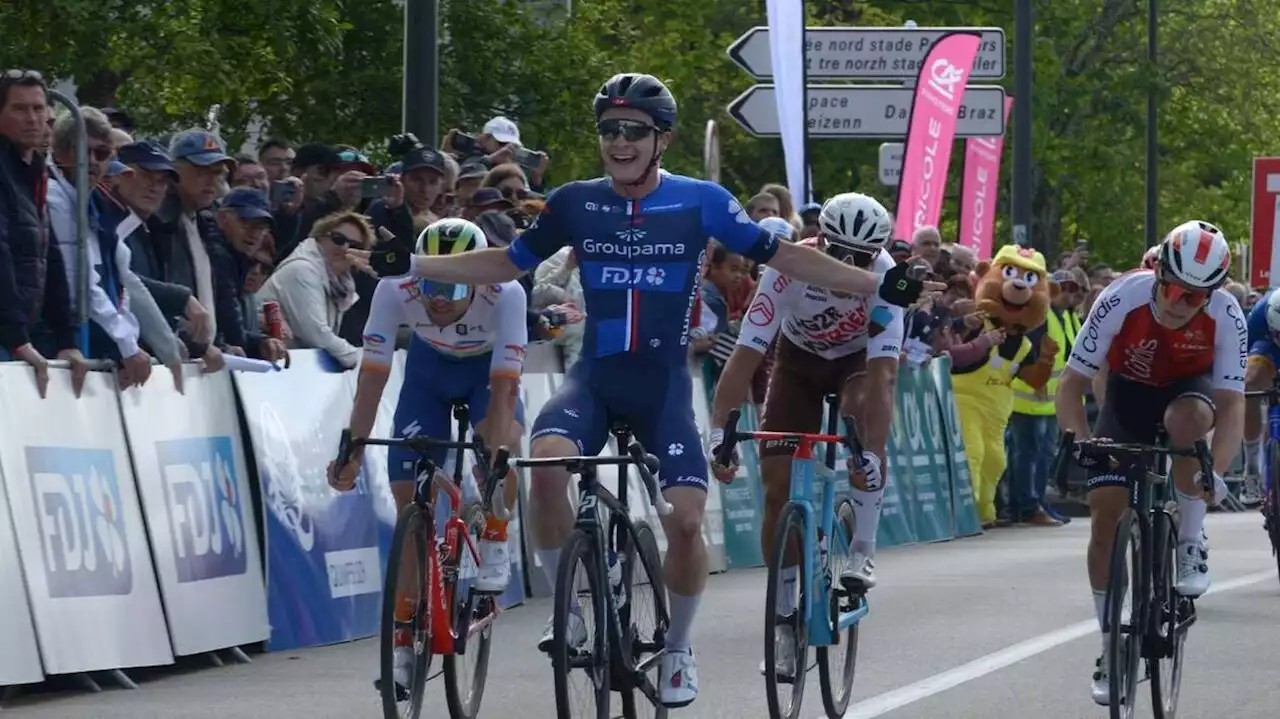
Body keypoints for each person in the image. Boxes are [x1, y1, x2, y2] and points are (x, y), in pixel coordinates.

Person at [351, 72, 936, 709]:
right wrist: (414, 263)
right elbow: (502, 264)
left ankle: (679, 647)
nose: (619, 141)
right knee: (544, 468)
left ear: (663, 139)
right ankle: (569, 611)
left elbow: (789, 258)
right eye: (609, 129)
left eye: (634, 130)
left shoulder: (702, 201)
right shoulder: (575, 201)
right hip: (592, 383)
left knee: (684, 525)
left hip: (661, 393)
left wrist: (877, 286)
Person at [707, 192, 904, 681]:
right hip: (796, 363)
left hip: (856, 366)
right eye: (837, 253)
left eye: (859, 258)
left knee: (860, 419)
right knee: (776, 490)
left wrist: (873, 453)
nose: (847, 265)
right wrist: (719, 433)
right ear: (820, 241)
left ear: (875, 254)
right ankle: (783, 622)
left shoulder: (883, 280)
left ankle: (861, 549)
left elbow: (883, 379)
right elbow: (746, 356)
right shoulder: (787, 267)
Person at [327, 217, 527, 694]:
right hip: (427, 373)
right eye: (430, 285)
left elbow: (503, 395)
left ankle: (496, 535)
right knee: (407, 512)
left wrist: (494, 462)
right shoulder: (396, 288)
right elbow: (371, 381)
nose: (438, 298)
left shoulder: (507, 293)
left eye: (452, 287)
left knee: (500, 446)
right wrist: (351, 449)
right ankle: (401, 648)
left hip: (486, 375)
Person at [1055, 220, 1244, 706]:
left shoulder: (1227, 314)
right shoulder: (1122, 296)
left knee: (1188, 423)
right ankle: (1108, 644)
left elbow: (1232, 405)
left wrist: (1214, 475)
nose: (1180, 304)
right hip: (1128, 394)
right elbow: (1073, 385)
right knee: (1105, 511)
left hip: (1189, 393)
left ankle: (1190, 539)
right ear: (1158, 274)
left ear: (1214, 293)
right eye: (1175, 290)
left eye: (1195, 297)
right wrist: (1080, 440)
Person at [1242, 287, 1280, 499]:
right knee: (1251, 381)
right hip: (1267, 348)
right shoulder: (1258, 317)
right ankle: (1252, 466)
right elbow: (1238, 357)